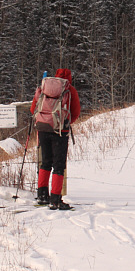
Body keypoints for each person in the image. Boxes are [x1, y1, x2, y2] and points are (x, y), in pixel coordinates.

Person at [30, 68, 81, 210]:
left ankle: (42, 195)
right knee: (58, 165)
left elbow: (33, 108)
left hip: (43, 128)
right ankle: (55, 199)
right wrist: (65, 122)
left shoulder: (44, 87)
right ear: (69, 78)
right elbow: (75, 112)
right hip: (60, 131)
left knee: (45, 162)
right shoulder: (69, 90)